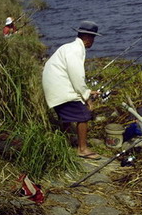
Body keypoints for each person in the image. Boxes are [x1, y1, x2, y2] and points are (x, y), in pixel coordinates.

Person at [42, 20, 102, 160]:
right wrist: (87, 97)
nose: (93, 41)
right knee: (84, 115)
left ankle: (64, 141)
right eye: (93, 38)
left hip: (55, 89)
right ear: (87, 38)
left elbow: (71, 76)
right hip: (60, 90)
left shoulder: (69, 47)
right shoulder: (76, 50)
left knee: (68, 116)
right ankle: (82, 149)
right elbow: (77, 76)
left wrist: (86, 92)